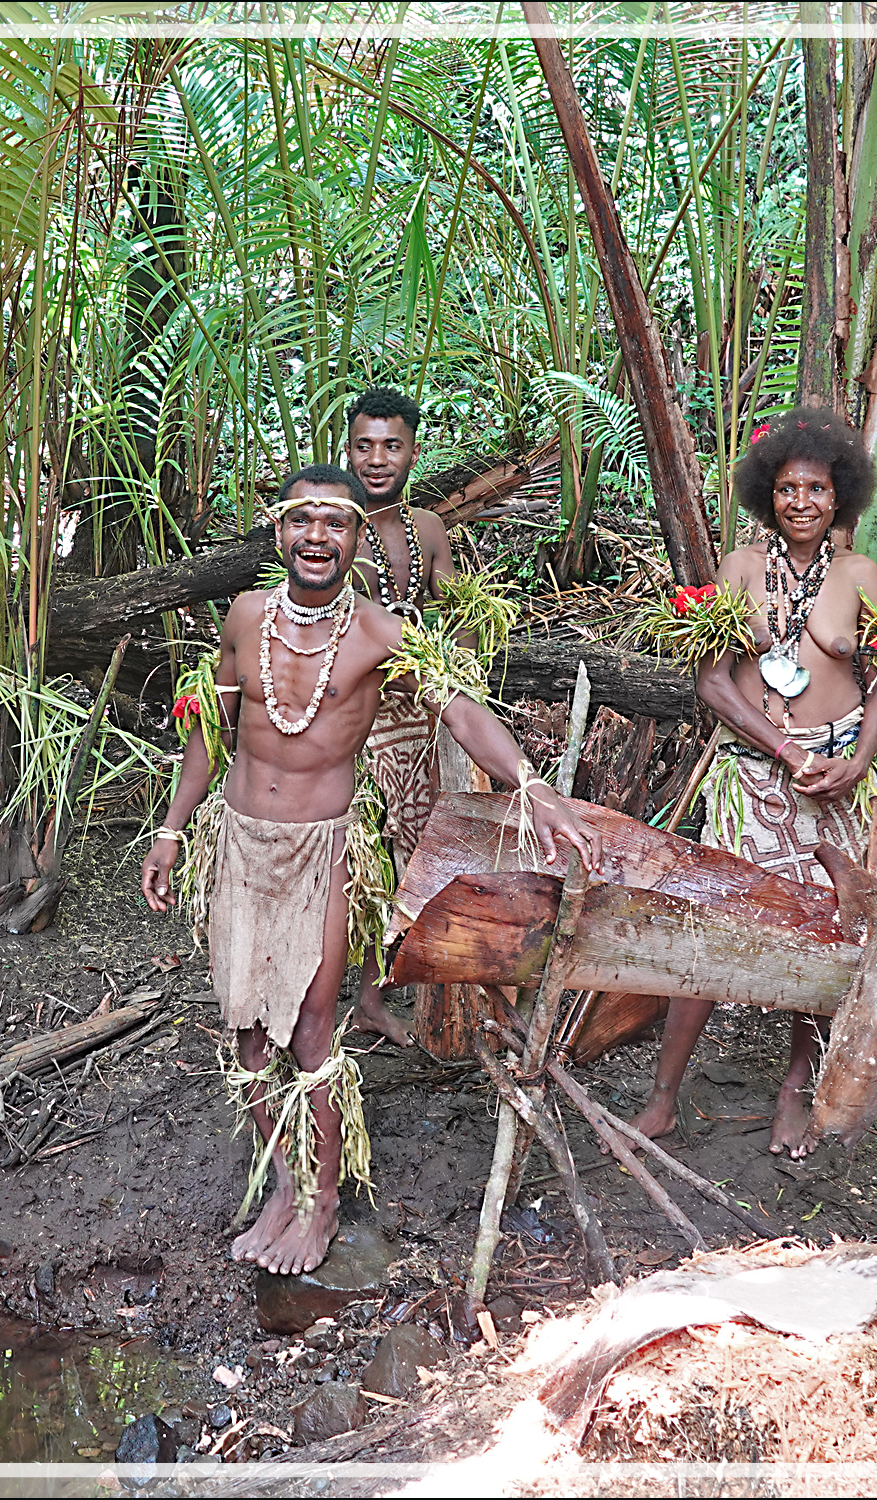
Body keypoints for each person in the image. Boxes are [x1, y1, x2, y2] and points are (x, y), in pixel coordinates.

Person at [141, 464, 597, 1275]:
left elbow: (461, 710)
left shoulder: (382, 633)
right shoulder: (246, 617)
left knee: (313, 1031)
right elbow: (212, 727)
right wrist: (171, 831)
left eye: (336, 524)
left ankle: (322, 1203)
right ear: (279, 531)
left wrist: (529, 784)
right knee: (247, 1033)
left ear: (358, 537)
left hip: (324, 850)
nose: (317, 537)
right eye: (302, 521)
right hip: (240, 845)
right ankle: (283, 1183)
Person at [625, 408, 877, 1156]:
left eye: (815, 488)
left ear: (839, 495)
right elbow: (712, 683)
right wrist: (782, 750)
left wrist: (858, 761)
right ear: (766, 494)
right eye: (786, 489)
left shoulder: (860, 575)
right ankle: (663, 1096)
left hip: (833, 782)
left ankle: (794, 1091)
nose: (800, 502)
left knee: (825, 932)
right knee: (714, 926)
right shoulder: (741, 568)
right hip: (753, 778)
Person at [338, 387, 465, 1046]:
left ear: (414, 453)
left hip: (420, 718)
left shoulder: (429, 529)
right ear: (348, 451)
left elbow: (459, 611)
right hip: (353, 718)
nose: (377, 459)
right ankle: (358, 994)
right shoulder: (332, 526)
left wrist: (456, 654)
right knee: (360, 855)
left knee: (413, 852)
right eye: (364, 446)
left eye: (392, 446)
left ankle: (400, 986)